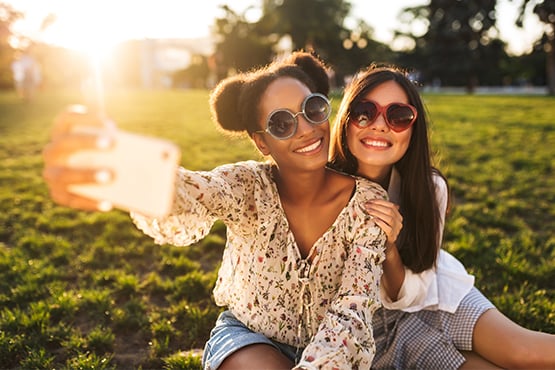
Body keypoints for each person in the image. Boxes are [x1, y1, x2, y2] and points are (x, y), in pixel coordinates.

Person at [42, 52, 404, 370]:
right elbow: (195, 191)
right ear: (261, 140)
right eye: (281, 123)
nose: (307, 130)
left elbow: (352, 310)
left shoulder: (367, 204)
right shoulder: (246, 186)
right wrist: (126, 172)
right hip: (249, 339)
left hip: (333, 349)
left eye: (312, 109)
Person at [329, 64, 555, 369]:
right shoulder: (320, 186)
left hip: (436, 293)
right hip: (381, 323)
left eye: (398, 116)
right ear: (346, 120)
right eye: (364, 111)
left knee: (523, 352)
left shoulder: (428, 187)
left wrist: (390, 249)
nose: (380, 125)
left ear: (413, 128)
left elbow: (417, 287)